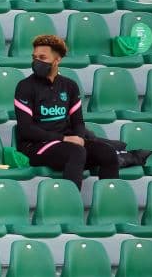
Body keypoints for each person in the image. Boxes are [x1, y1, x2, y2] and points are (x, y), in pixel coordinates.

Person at [14, 34, 118, 189]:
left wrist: (79, 138)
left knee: (107, 153)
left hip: (65, 145)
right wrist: (64, 138)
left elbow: (78, 122)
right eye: (34, 57)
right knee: (76, 152)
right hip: (35, 147)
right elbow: (26, 129)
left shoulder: (69, 86)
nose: (36, 62)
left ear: (57, 60)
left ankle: (110, 206)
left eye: (42, 57)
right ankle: (71, 206)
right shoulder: (25, 86)